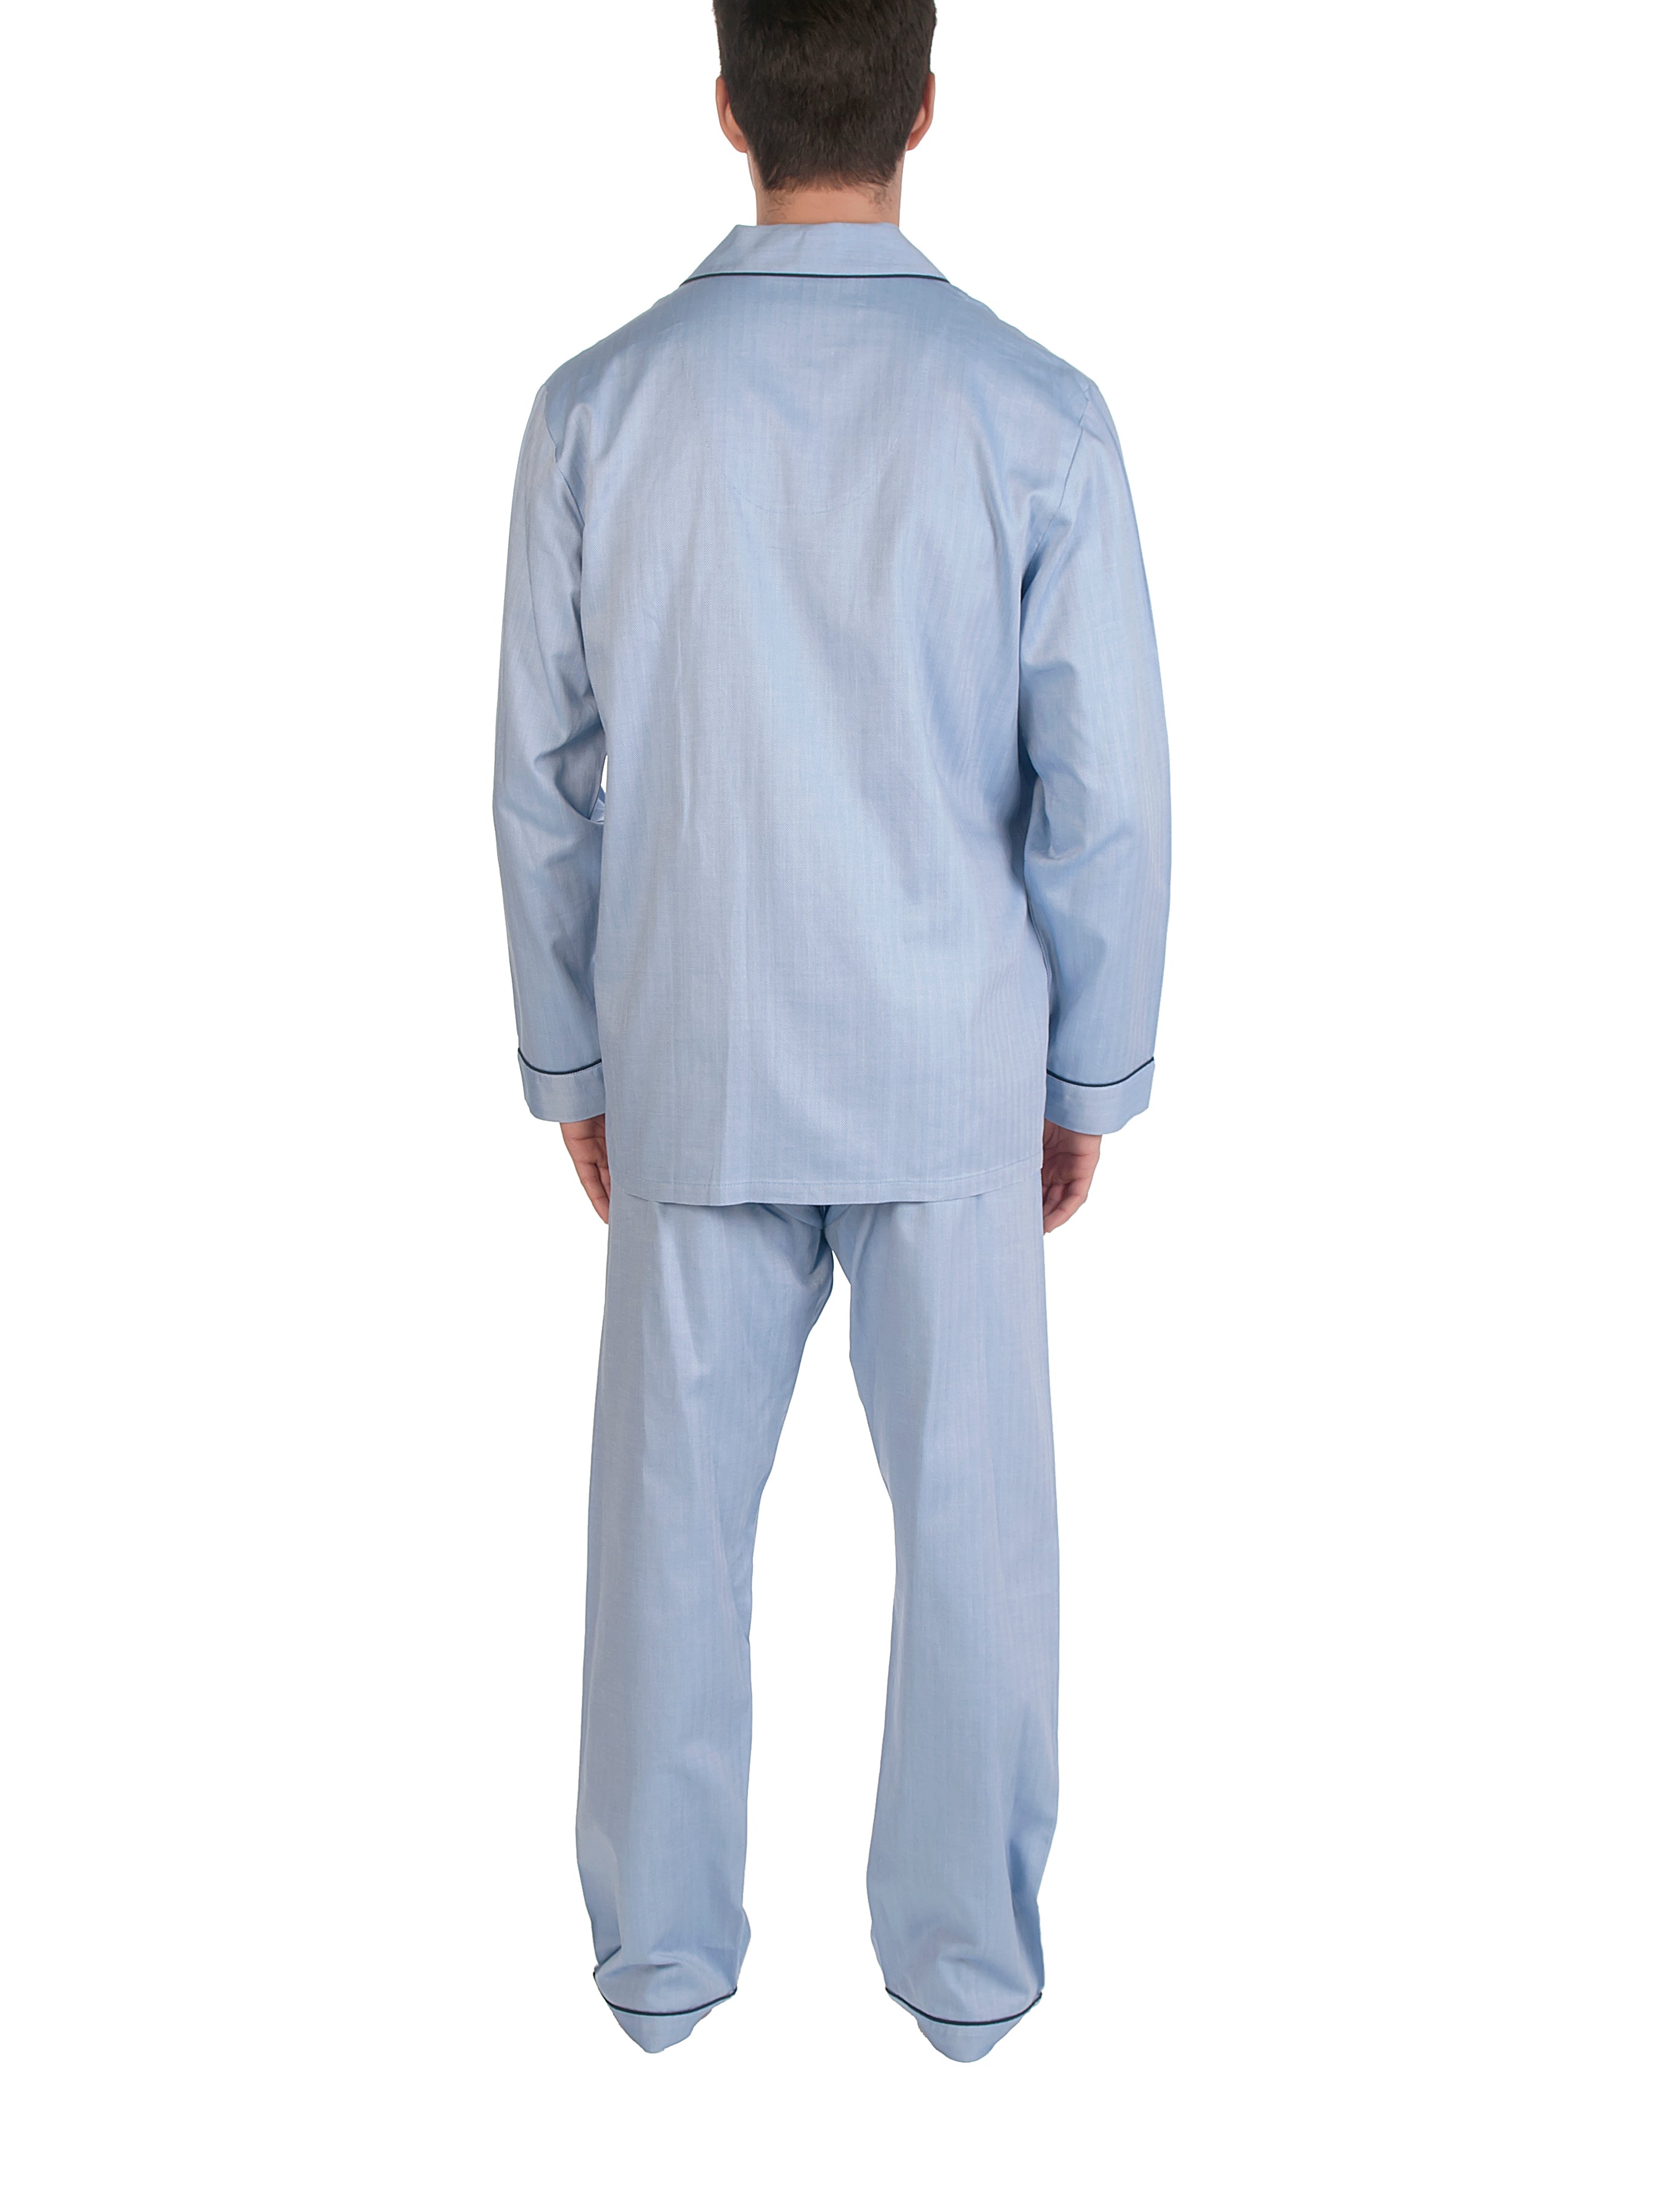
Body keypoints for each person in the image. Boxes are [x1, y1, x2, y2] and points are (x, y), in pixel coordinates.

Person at [492, 0, 1170, 2063]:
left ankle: (659, 1971)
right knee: (977, 1545)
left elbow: (544, 782)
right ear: (926, 105)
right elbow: (1107, 791)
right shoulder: (1035, 415)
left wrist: (574, 1059)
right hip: (951, 1068)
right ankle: (966, 1978)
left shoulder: (598, 410)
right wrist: (1088, 1072)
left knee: (666, 1541)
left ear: (726, 104)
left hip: (693, 1054)